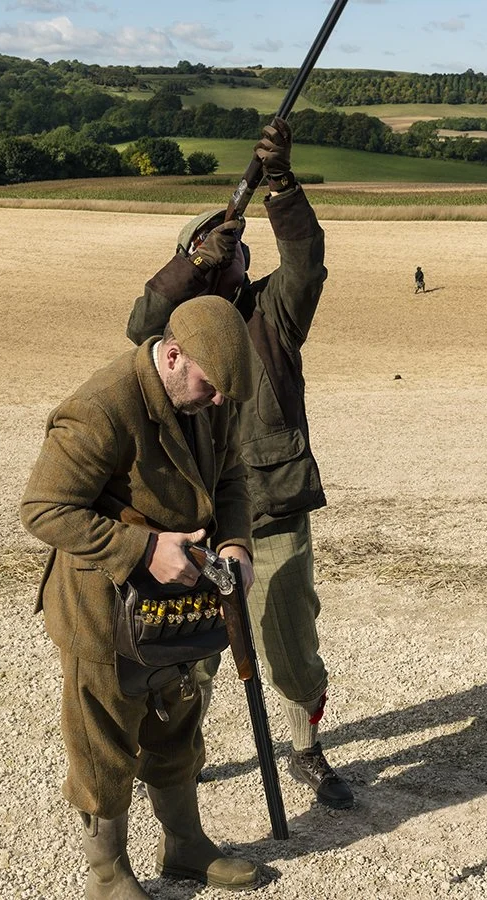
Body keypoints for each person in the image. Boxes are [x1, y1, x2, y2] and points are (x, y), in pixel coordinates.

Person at [127, 116, 355, 811]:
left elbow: (309, 261)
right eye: (220, 246)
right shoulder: (171, 335)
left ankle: (306, 749)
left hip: (271, 501)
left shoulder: (273, 314)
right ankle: (179, 756)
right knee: (188, 646)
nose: (235, 255)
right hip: (191, 511)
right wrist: (195, 261)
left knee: (290, 642)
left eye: (237, 247)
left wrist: (281, 184)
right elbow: (139, 323)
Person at [21, 295, 261, 898]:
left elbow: (230, 477)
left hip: (179, 607)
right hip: (103, 610)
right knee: (103, 741)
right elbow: (44, 509)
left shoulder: (211, 398)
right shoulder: (102, 407)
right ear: (174, 356)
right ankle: (106, 873)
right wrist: (143, 551)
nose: (218, 404)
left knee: (178, 723)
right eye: (209, 389)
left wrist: (236, 545)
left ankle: (184, 846)